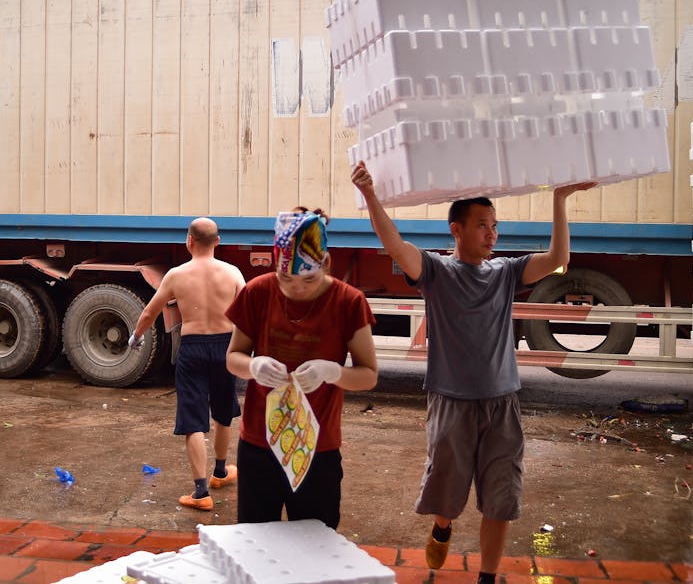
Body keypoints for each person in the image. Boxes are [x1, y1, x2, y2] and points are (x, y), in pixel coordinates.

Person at [351, 160, 595, 581]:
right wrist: (371, 194)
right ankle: (443, 524)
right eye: (482, 225)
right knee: (448, 493)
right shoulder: (436, 272)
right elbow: (395, 246)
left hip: (502, 403)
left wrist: (559, 198)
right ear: (456, 230)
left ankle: (487, 576)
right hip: (451, 403)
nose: (492, 233)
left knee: (501, 498)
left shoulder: (506, 272)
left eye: (494, 225)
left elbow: (558, 258)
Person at [225, 208, 378, 529]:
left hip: (317, 448)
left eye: (308, 279)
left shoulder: (348, 302)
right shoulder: (258, 292)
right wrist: (254, 365)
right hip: (258, 445)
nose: (296, 288)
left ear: (326, 263)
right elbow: (233, 358)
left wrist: (332, 372)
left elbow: (368, 375)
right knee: (255, 542)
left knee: (315, 548)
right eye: (286, 278)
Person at [129, 217, 247, 511]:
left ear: (189, 241)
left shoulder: (176, 275)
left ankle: (200, 492)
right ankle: (220, 471)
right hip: (226, 347)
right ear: (218, 242)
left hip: (193, 349)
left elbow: (149, 313)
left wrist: (135, 338)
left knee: (193, 419)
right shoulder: (232, 273)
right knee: (223, 411)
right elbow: (249, 313)